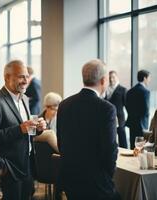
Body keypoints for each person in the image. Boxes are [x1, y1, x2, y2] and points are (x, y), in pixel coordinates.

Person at [0, 60, 47, 200]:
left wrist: (38, 129)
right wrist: (19, 129)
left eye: (27, 76)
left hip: (28, 164)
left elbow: (28, 132)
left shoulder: (25, 99)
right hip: (9, 167)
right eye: (21, 76)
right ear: (7, 77)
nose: (25, 80)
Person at [56, 59, 119, 199]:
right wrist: (107, 176)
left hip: (70, 179)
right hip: (96, 183)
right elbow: (110, 149)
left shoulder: (64, 104)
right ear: (103, 80)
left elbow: (61, 143)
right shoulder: (106, 108)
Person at [126, 69, 151, 149]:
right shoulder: (145, 91)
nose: (149, 80)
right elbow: (146, 109)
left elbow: (127, 105)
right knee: (141, 146)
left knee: (133, 145)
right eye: (149, 78)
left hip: (132, 122)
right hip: (141, 123)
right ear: (144, 78)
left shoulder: (130, 91)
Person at [105, 70, 128, 148]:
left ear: (117, 78)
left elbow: (127, 106)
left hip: (119, 118)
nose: (111, 79)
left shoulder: (123, 89)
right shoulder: (105, 90)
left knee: (122, 138)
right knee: (110, 137)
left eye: (113, 77)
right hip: (108, 117)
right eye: (110, 78)